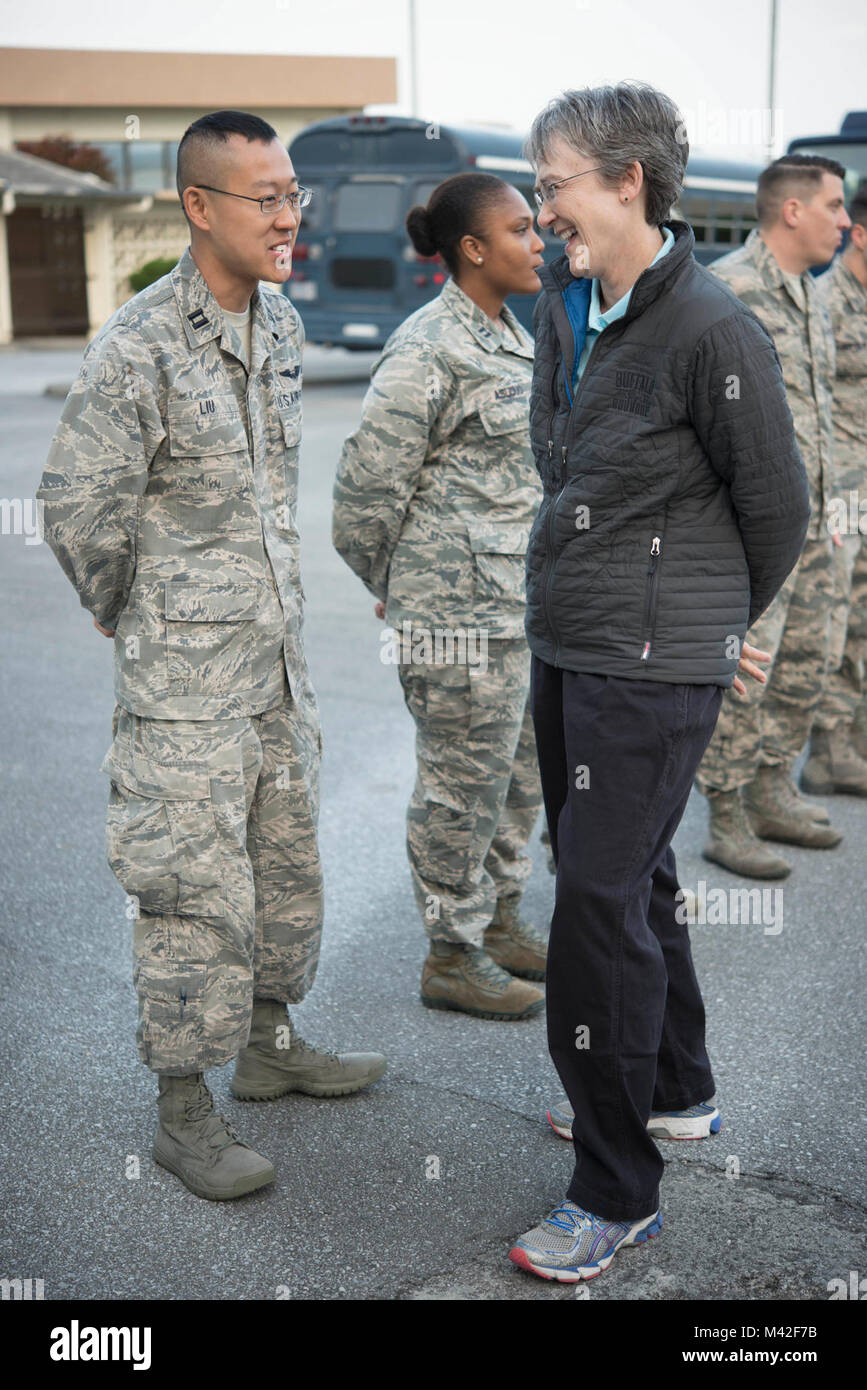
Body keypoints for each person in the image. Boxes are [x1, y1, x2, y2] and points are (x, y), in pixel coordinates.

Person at [37, 110, 385, 1204]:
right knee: (191, 885)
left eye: (294, 195)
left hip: (276, 666)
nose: (290, 216)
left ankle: (270, 1042)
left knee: (283, 863)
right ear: (199, 207)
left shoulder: (278, 326)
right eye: (266, 197)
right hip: (183, 687)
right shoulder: (137, 344)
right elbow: (77, 507)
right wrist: (130, 607)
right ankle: (185, 1110)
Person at [507, 82, 810, 1283]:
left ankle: (614, 1185)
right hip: (570, 639)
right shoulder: (567, 301)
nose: (542, 213)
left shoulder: (712, 330)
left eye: (556, 186)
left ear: (629, 180)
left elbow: (776, 506)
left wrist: (711, 623)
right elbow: (555, 449)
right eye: (536, 191)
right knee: (631, 878)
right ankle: (676, 1089)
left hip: (646, 665)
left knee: (593, 906)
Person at [333, 173, 549, 1021]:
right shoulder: (428, 347)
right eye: (521, 229)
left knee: (513, 778)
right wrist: (396, 585)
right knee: (459, 787)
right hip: (455, 620)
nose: (539, 242)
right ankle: (449, 954)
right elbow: (363, 492)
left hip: (515, 610)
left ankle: (496, 921)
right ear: (473, 248)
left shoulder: (509, 335)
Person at [696, 154, 852, 877]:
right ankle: (724, 812)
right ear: (791, 211)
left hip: (819, 515)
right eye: (833, 207)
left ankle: (770, 786)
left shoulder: (813, 294)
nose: (844, 222)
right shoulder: (729, 290)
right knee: (746, 669)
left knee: (805, 659)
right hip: (752, 526)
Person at [801, 180, 867, 795]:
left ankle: (853, 736)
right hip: (841, 492)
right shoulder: (825, 302)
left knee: (864, 623)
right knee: (836, 620)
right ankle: (829, 748)